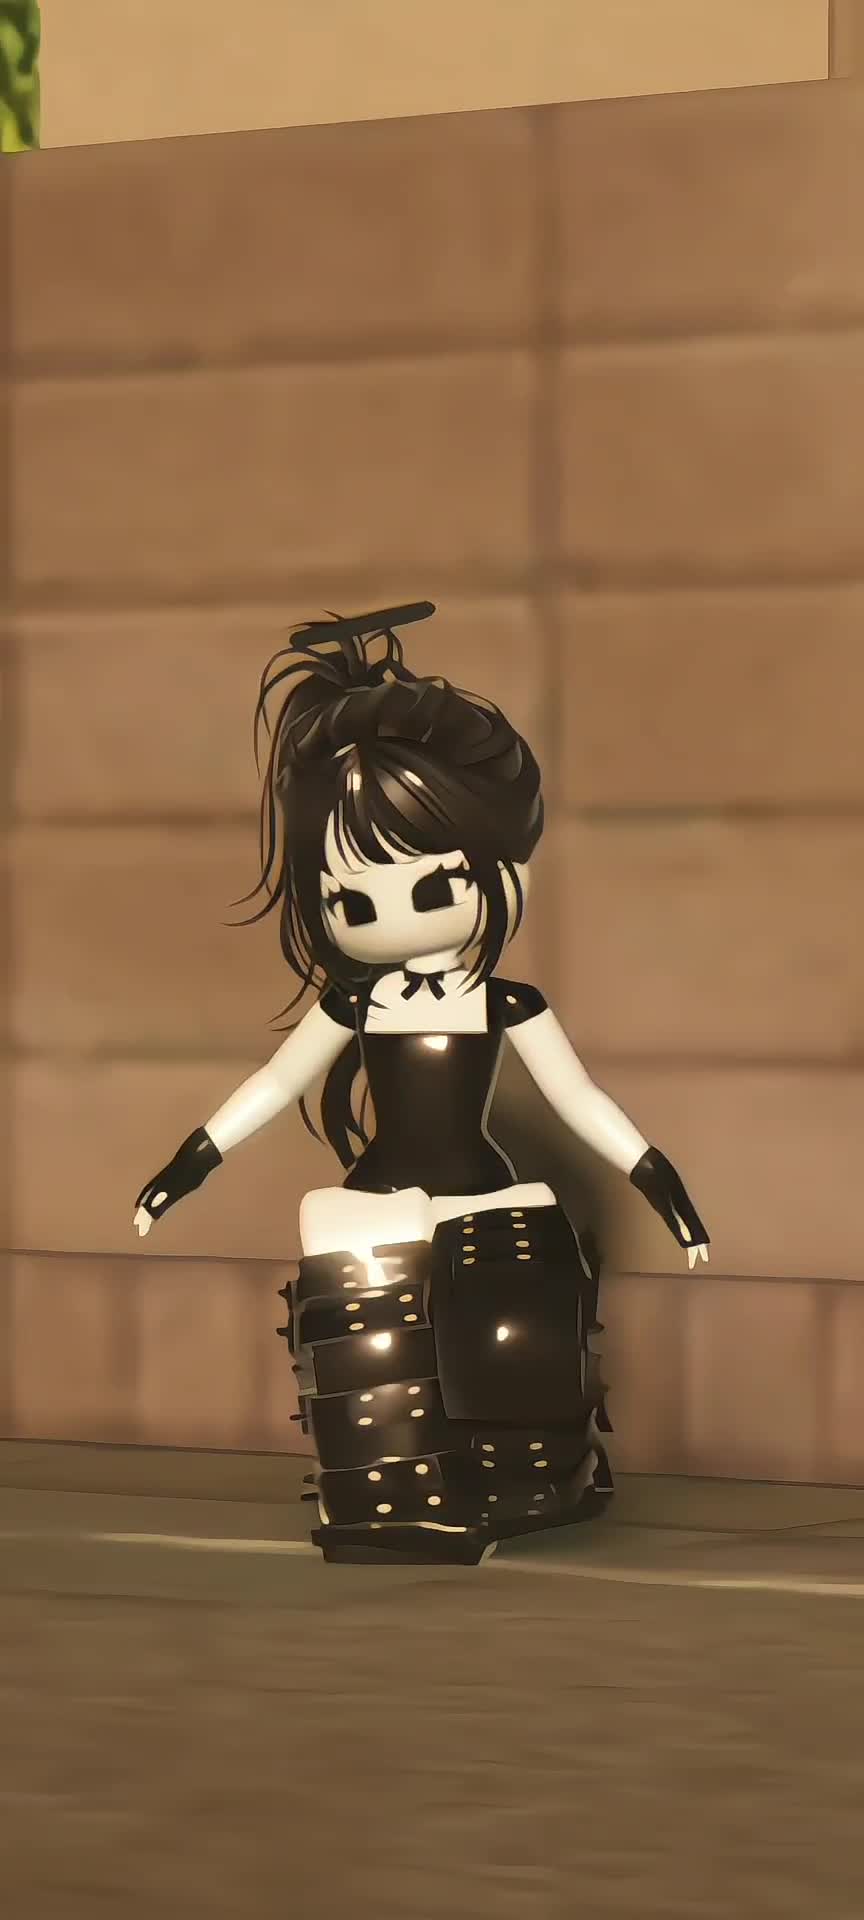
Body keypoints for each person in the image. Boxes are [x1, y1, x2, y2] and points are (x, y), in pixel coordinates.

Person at [133, 602, 709, 1565]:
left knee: (520, 1299)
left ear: (501, 871)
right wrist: (183, 1169)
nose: (391, 916)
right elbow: (274, 1085)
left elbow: (580, 1103)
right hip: (381, 1194)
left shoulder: (507, 1003)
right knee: (362, 1301)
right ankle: (383, 1498)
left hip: (481, 1189)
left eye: (436, 884)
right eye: (352, 901)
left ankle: (536, 1478)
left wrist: (664, 1186)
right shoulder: (355, 1005)